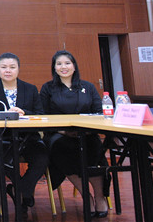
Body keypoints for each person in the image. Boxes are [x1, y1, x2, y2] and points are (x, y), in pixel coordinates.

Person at [40, 50, 109, 218]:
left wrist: (86, 130)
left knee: (96, 150)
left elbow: (98, 112)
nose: (63, 67)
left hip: (87, 134)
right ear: (54, 68)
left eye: (67, 63)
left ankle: (100, 196)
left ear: (74, 66)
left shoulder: (88, 87)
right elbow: (43, 116)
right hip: (59, 135)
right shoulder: (48, 88)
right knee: (61, 149)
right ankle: (87, 196)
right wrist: (63, 130)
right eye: (59, 64)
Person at [0, 53, 48, 212]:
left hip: (28, 138)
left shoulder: (30, 89)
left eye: (12, 67)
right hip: (2, 139)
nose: (8, 71)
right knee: (1, 160)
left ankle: (21, 189)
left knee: (42, 157)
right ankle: (24, 192)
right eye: (4, 67)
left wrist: (24, 112)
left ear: (18, 69)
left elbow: (40, 114)